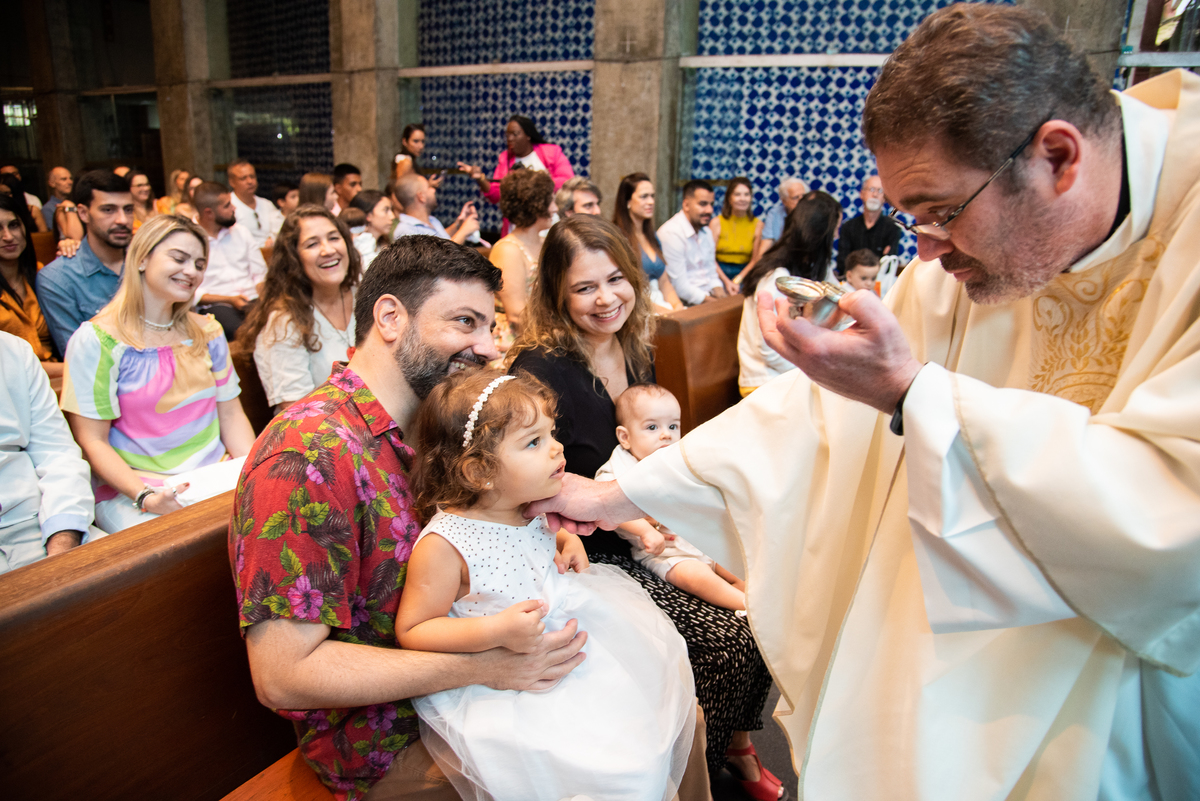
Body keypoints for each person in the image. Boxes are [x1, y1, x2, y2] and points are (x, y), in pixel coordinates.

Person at [529, 6, 1200, 799]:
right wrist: (620, 494)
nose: (925, 251)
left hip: (1116, 691)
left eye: (942, 212)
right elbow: (818, 418)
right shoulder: (956, 267)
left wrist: (914, 394)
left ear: (1058, 157)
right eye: (912, 217)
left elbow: (1174, 512)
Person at [230, 235, 594, 800]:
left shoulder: (437, 425)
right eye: (465, 322)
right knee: (603, 768)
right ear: (390, 317)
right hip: (387, 734)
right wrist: (487, 665)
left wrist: (555, 527)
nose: (488, 348)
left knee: (653, 708)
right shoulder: (309, 454)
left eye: (490, 326)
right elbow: (284, 675)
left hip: (478, 687)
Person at [507, 215, 783, 798]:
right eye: (584, 288)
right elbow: (523, 476)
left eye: (615, 280)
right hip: (594, 543)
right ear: (556, 293)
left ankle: (735, 740)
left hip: (652, 517)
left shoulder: (634, 346)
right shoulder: (538, 369)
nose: (606, 299)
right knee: (722, 641)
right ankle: (697, 768)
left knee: (766, 596)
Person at [395, 368, 698, 801]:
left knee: (638, 727)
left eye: (550, 433)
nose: (557, 447)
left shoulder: (529, 503)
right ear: (479, 471)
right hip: (508, 674)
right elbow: (414, 629)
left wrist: (567, 539)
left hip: (571, 634)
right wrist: (495, 630)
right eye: (534, 442)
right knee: (606, 772)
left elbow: (535, 540)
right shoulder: (446, 544)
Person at [61, 215, 254, 534]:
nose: (191, 271)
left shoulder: (208, 331)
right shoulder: (97, 340)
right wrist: (146, 496)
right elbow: (92, 441)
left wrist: (251, 472)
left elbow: (231, 415)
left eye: (199, 264)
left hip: (213, 477)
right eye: (179, 258)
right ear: (141, 259)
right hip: (134, 488)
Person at [595, 383, 745, 610]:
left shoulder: (677, 460)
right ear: (625, 437)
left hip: (700, 540)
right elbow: (607, 504)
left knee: (738, 565)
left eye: (673, 426)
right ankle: (744, 605)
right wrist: (645, 531)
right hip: (665, 554)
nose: (666, 434)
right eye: (652, 427)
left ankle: (756, 598)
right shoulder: (619, 469)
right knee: (696, 577)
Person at [238, 205, 360, 414]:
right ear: (293, 257)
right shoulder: (284, 323)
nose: (328, 250)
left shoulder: (366, 295)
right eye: (312, 244)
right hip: (322, 429)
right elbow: (299, 414)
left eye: (333, 238)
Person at [0, 332, 102, 573]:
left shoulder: (14, 350)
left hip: (34, 520)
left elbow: (58, 453)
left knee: (138, 576)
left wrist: (61, 546)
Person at [736, 191, 841, 397]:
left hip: (789, 376)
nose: (837, 236)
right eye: (835, 230)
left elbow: (840, 297)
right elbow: (769, 350)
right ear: (820, 234)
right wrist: (815, 367)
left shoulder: (814, 268)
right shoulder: (776, 277)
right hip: (764, 382)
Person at [37, 170, 133, 355]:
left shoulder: (148, 262)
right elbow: (80, 356)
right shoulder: (59, 278)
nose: (122, 220)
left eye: (128, 209)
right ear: (83, 213)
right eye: (108, 210)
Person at [457, 115, 575, 233]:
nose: (510, 138)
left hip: (549, 222)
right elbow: (496, 194)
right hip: (518, 227)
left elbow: (568, 181)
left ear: (528, 135)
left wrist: (535, 183)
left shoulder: (550, 152)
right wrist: (480, 179)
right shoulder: (505, 158)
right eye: (507, 135)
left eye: (515, 134)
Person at [192, 181, 269, 341]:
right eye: (227, 206)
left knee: (278, 323)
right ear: (209, 213)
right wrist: (230, 300)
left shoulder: (241, 232)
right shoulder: (191, 240)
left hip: (251, 298)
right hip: (217, 304)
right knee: (241, 332)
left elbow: (260, 274)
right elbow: (192, 292)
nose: (234, 208)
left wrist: (265, 301)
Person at [490, 169, 555, 351]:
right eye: (551, 200)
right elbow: (517, 315)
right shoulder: (508, 249)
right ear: (536, 204)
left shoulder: (546, 242)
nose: (555, 208)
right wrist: (555, 337)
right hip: (515, 340)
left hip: (543, 332)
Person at [0, 195, 59, 373]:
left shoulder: (42, 274)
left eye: (14, 225)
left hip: (57, 377)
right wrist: (73, 368)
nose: (8, 236)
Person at [658, 180, 735, 306]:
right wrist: (718, 305)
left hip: (709, 299)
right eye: (703, 204)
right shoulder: (671, 233)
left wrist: (723, 299)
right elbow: (680, 287)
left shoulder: (706, 232)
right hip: (685, 303)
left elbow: (712, 274)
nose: (709, 210)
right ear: (686, 205)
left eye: (711, 204)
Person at [612, 172, 682, 312]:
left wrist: (678, 307)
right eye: (644, 196)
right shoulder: (618, 239)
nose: (651, 201)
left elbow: (664, 283)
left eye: (652, 196)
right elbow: (629, 292)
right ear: (627, 201)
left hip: (663, 306)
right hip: (638, 310)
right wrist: (667, 314)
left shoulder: (652, 236)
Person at [835, 174, 903, 277]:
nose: (875, 194)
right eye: (871, 189)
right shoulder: (848, 227)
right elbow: (843, 263)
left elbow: (888, 265)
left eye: (880, 191)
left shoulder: (893, 229)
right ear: (862, 194)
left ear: (885, 198)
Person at [391, 172, 480, 245]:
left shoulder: (432, 220)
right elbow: (437, 259)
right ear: (421, 197)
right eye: (429, 187)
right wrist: (464, 232)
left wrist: (458, 224)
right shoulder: (406, 231)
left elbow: (440, 240)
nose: (433, 190)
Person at [711, 177, 762, 282]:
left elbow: (755, 260)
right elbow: (709, 258)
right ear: (729, 198)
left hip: (745, 273)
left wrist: (738, 280)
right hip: (717, 272)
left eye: (746, 194)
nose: (742, 199)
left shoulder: (758, 225)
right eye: (737, 194)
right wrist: (726, 282)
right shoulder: (716, 223)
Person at [228, 159, 285, 248]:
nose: (250, 181)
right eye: (243, 178)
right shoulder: (228, 206)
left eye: (252, 176)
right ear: (232, 182)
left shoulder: (267, 204)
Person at [753, 177, 807, 264]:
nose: (801, 201)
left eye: (804, 196)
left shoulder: (812, 214)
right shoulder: (774, 214)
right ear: (784, 201)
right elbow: (765, 248)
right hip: (779, 261)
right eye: (796, 197)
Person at [347, 190, 393, 270]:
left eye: (391, 210)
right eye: (386, 210)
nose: (392, 216)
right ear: (368, 215)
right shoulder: (357, 248)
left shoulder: (384, 245)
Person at [392, 122, 443, 188]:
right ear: (405, 141)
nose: (421, 146)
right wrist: (427, 185)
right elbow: (402, 189)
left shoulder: (410, 160)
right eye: (416, 141)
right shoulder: (405, 162)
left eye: (423, 141)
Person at [0, 166, 48, 233]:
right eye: (1, 194)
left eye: (7, 193)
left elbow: (44, 235)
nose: (4, 197)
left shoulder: (32, 210)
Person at [43, 166, 73, 234]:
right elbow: (54, 234)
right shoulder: (48, 208)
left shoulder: (75, 202)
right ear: (52, 183)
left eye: (71, 178)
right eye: (64, 179)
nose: (70, 182)